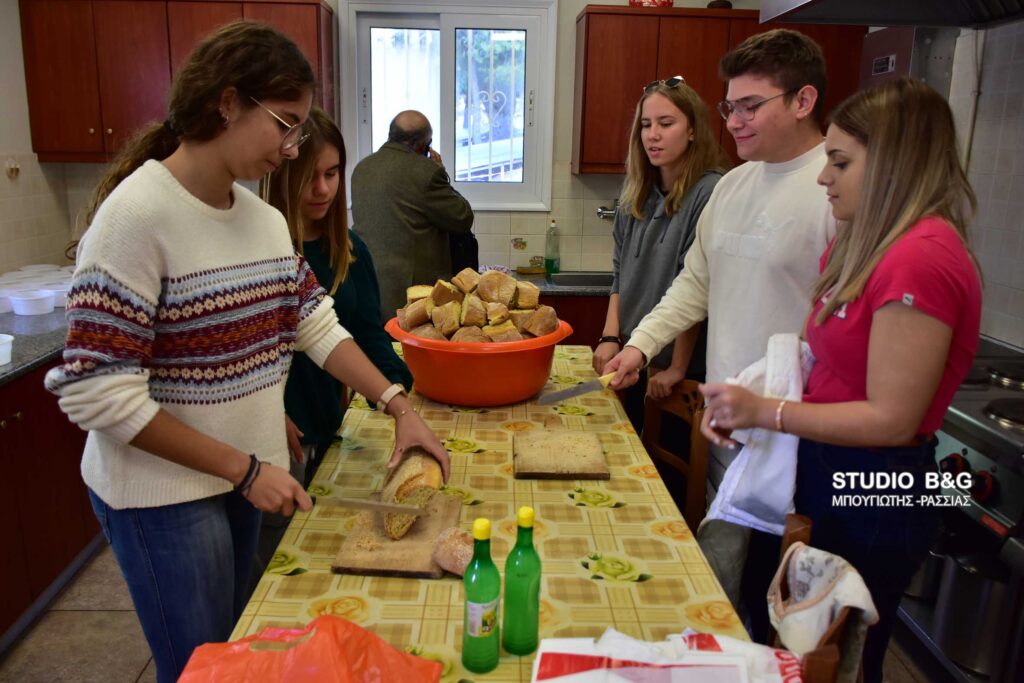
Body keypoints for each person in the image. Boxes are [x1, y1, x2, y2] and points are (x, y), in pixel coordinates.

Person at [44, 22, 449, 683]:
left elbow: (315, 324)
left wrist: (397, 403)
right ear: (227, 102)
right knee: (204, 668)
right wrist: (242, 467)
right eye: (284, 125)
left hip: (243, 483)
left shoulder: (261, 221)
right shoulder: (135, 217)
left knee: (239, 660)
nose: (292, 148)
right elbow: (98, 393)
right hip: (164, 498)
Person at [698, 77, 982, 683]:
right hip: (828, 467)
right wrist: (741, 399)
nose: (824, 177)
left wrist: (764, 413)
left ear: (895, 164)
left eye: (840, 161)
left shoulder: (923, 258)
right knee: (796, 639)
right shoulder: (867, 244)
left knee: (841, 658)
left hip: (876, 483)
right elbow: (819, 358)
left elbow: (891, 418)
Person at [604, 29, 836, 606]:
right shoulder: (733, 187)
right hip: (725, 421)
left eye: (751, 105)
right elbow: (694, 286)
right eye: (730, 106)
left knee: (786, 595)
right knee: (720, 582)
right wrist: (638, 346)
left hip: (799, 436)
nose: (734, 121)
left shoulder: (835, 188)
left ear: (803, 101)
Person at [251, 108, 415, 582]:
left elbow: (363, 334)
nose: (322, 189)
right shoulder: (263, 249)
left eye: (331, 173)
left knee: (316, 555)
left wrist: (403, 393)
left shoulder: (350, 249)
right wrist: (263, 412)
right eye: (308, 177)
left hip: (325, 424)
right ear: (279, 173)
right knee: (273, 567)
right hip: (273, 438)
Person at [591, 75, 728, 431]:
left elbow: (695, 285)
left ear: (693, 130)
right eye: (646, 125)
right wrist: (611, 337)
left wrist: (677, 368)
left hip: (677, 372)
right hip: (638, 357)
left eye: (666, 124)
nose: (653, 135)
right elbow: (620, 273)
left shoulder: (709, 192)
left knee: (670, 480)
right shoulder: (635, 192)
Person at [351, 110, 475, 319]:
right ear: (423, 144)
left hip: (368, 290)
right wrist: (441, 172)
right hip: (413, 299)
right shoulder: (427, 171)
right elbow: (462, 218)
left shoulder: (362, 168)